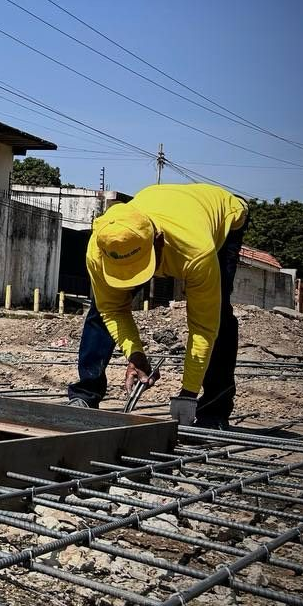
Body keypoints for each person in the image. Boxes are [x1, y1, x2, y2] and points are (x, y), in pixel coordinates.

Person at [67, 183, 249, 429]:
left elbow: (204, 327)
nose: (136, 279)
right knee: (100, 308)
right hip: (163, 205)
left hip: (223, 213)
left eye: (139, 269)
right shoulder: (102, 246)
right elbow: (112, 309)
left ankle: (214, 410)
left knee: (218, 315)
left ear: (158, 242)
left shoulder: (196, 251)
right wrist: (135, 354)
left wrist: (188, 392)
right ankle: (85, 393)